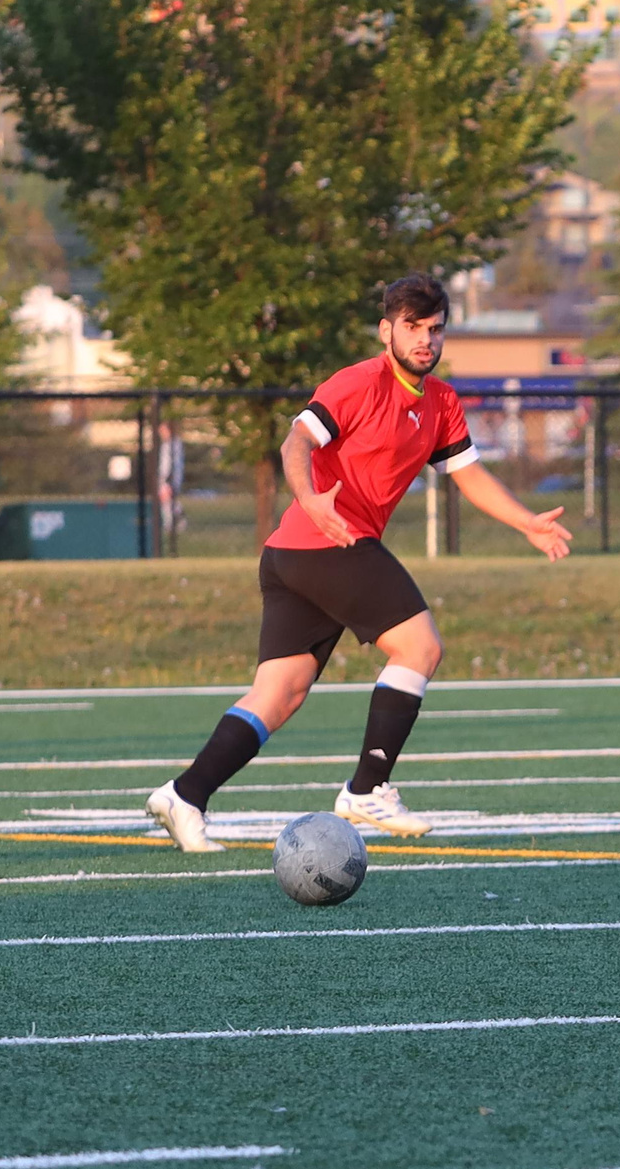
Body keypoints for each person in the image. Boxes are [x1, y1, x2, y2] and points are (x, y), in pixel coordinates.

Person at [144, 274, 572, 852]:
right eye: (413, 328)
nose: (425, 339)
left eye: (435, 329)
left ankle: (185, 794)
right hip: (327, 542)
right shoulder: (358, 383)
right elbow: (296, 443)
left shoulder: (442, 402)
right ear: (386, 330)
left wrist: (526, 522)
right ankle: (367, 789)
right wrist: (309, 498)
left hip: (298, 555)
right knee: (420, 648)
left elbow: (467, 475)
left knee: (280, 692)